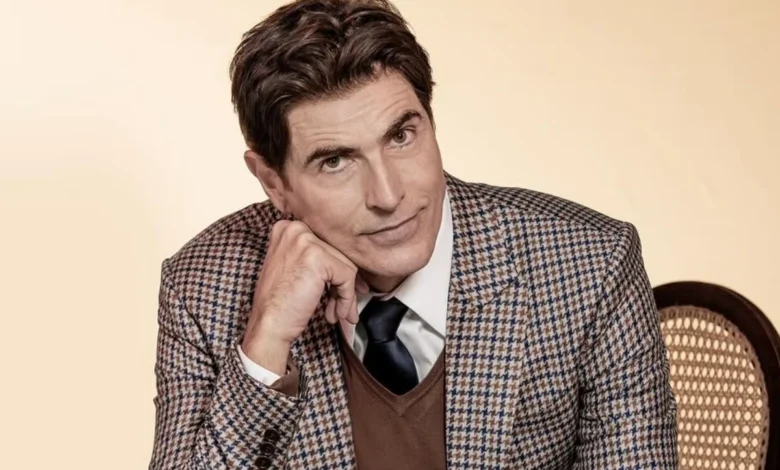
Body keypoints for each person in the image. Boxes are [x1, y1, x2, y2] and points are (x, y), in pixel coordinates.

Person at [149, 0, 678, 468]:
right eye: (335, 161)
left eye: (401, 136)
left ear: (431, 121)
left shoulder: (589, 266)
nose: (388, 194)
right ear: (274, 183)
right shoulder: (203, 288)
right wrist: (265, 345)